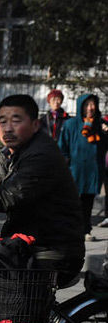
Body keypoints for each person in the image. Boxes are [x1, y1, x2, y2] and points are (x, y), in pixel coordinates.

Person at [0, 95, 85, 285]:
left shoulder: (41, 155)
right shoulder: (11, 154)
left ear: (35, 125)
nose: (8, 128)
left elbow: (8, 195)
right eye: (2, 121)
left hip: (51, 248)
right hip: (30, 241)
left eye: (16, 120)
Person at [59, 93, 108, 240]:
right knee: (72, 202)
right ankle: (69, 230)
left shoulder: (100, 125)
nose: (90, 108)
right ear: (81, 106)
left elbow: (104, 147)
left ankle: (86, 230)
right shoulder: (71, 124)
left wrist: (106, 133)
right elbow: (63, 147)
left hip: (92, 172)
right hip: (74, 170)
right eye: (87, 105)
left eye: (93, 104)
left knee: (87, 203)